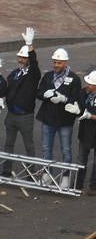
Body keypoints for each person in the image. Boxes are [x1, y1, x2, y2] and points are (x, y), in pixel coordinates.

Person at [36, 47, 82, 181]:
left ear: (65, 63)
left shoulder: (74, 79)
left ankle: (66, 177)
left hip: (65, 121)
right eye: (55, 62)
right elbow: (39, 93)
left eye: (59, 62)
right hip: (48, 119)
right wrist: (44, 95)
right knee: (46, 149)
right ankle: (47, 173)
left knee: (66, 150)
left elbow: (77, 99)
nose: (56, 65)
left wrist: (64, 99)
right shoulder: (48, 76)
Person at [2, 29, 41, 174]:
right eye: (19, 57)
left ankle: (31, 172)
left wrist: (30, 45)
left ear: (28, 59)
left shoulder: (33, 74)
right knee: (8, 144)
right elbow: (7, 88)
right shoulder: (15, 73)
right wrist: (2, 98)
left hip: (25, 116)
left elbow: (35, 62)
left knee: (29, 145)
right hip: (11, 114)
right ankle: (6, 170)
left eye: (23, 58)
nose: (20, 60)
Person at [77, 70, 96, 194]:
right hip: (85, 131)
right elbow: (79, 107)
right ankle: (78, 184)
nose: (87, 85)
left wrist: (90, 116)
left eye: (90, 83)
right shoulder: (84, 92)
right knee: (81, 159)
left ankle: (93, 187)